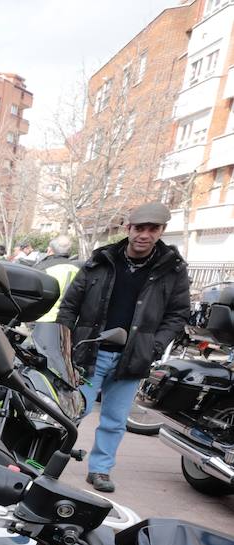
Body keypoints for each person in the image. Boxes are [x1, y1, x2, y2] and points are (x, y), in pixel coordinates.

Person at [56, 202, 190, 493]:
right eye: (138, 228)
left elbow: (178, 314)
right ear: (127, 229)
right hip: (89, 352)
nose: (144, 235)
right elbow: (69, 306)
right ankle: (51, 459)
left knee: (115, 420)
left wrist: (153, 346)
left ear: (161, 231)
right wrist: (64, 345)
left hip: (132, 357)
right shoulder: (101, 261)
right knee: (72, 412)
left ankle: (101, 470)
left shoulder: (173, 269)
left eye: (152, 229)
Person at [33, 235, 80, 323]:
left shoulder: (42, 268)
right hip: (67, 319)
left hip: (41, 317)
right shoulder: (78, 269)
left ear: (50, 250)